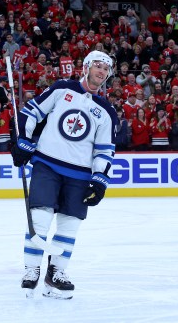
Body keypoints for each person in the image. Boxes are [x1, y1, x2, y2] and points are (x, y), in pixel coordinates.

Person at [11, 50, 118, 299]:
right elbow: (31, 112)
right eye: (98, 66)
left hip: (79, 175)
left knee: (70, 227)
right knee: (40, 219)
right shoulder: (62, 89)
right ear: (87, 66)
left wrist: (100, 180)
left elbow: (104, 150)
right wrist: (24, 142)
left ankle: (56, 273)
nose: (101, 71)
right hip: (47, 164)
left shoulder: (106, 111)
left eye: (106, 69)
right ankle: (32, 269)